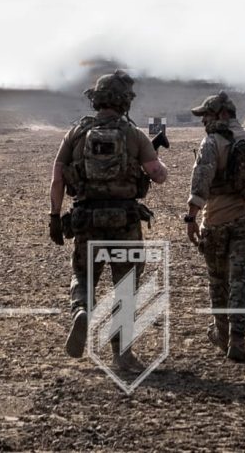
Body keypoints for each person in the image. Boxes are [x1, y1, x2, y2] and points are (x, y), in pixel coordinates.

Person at [48, 70, 167, 358]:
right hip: (124, 221)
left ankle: (81, 310)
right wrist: (155, 154)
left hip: (86, 220)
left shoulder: (76, 133)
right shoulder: (134, 134)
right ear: (125, 101)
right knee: (126, 284)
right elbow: (158, 175)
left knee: (83, 274)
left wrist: (54, 216)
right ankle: (121, 349)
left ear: (96, 100)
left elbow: (57, 178)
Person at [182, 91, 245, 361]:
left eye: (206, 115)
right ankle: (237, 340)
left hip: (217, 221)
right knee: (242, 281)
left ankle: (222, 334)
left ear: (220, 114)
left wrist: (191, 217)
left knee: (218, 283)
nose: (203, 121)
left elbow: (201, 181)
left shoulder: (211, 142)